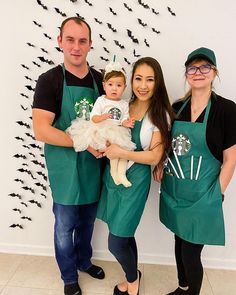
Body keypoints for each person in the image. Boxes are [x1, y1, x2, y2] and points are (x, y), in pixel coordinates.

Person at [32, 17, 105, 295]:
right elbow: (41, 130)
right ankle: (68, 275)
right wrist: (84, 143)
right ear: (60, 41)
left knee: (88, 221)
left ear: (90, 44)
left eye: (82, 40)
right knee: (65, 225)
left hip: (93, 166)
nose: (76, 47)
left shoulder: (100, 80)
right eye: (70, 40)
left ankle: (84, 261)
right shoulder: (49, 80)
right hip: (64, 168)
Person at [154, 47, 236, 295]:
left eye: (205, 67)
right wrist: (159, 164)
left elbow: (230, 159)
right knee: (179, 242)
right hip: (176, 190)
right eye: (192, 68)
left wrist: (215, 194)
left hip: (204, 195)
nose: (198, 72)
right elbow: (166, 143)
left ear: (214, 72)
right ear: (187, 74)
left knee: (191, 251)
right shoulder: (177, 107)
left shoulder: (227, 110)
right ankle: (183, 287)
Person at [97, 57, 174, 295]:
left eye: (149, 79)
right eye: (138, 78)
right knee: (124, 233)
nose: (143, 85)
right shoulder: (124, 105)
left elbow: (153, 156)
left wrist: (119, 151)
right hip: (113, 175)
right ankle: (135, 276)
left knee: (116, 242)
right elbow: (110, 128)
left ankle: (132, 284)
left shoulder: (159, 113)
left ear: (157, 82)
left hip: (135, 181)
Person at [67, 61, 136, 187]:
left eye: (119, 85)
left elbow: (124, 118)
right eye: (110, 84)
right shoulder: (101, 100)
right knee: (114, 152)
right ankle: (114, 173)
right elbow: (93, 117)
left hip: (119, 130)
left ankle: (121, 174)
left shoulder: (124, 104)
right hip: (104, 130)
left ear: (124, 87)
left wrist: (127, 122)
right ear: (104, 86)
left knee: (125, 150)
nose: (114, 88)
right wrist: (102, 117)